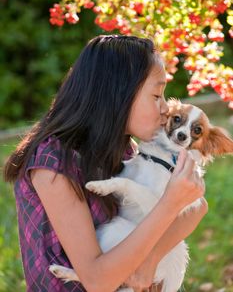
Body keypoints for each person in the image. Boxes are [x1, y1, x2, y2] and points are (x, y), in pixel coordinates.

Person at [4, 35, 207, 292]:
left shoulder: (121, 148)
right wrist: (169, 204)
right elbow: (97, 281)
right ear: (118, 94)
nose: (166, 108)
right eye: (157, 95)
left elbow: (197, 208)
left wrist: (150, 260)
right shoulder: (52, 163)